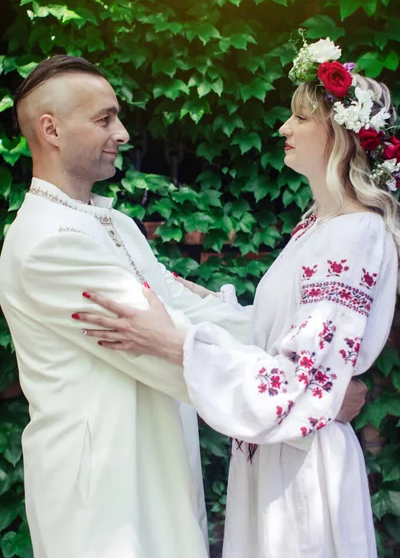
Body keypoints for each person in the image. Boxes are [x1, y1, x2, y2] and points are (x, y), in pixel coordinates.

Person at [75, 37, 400, 558]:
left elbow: (298, 383)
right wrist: (200, 301)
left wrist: (176, 343)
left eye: (300, 119)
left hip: (303, 469)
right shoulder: (319, 225)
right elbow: (283, 333)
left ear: (340, 134)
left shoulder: (356, 234)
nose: (283, 128)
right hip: (272, 457)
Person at [0, 55, 258, 558]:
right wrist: (296, 391)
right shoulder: (48, 243)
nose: (121, 133)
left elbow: (179, 307)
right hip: (104, 490)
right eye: (103, 119)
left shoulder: (114, 224)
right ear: (50, 130)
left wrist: (290, 340)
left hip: (154, 459)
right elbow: (156, 347)